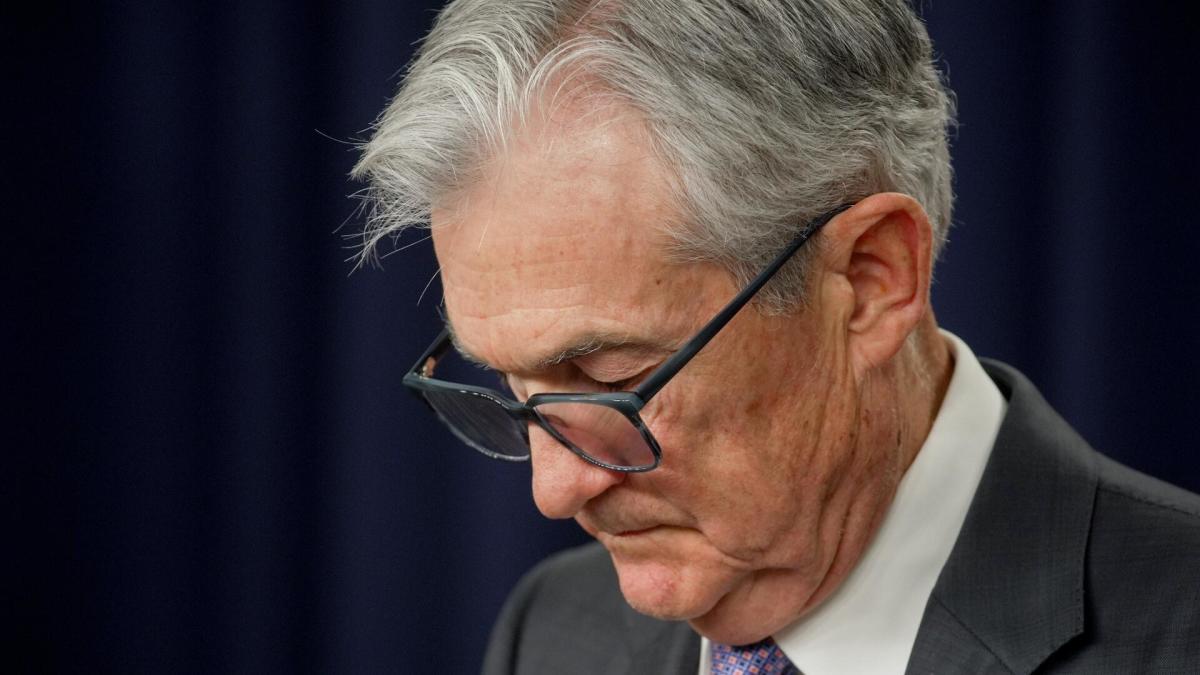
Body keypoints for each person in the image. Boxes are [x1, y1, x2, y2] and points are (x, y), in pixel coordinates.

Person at [353, 1, 1200, 672]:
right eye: (512, 389)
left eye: (612, 376)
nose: (555, 489)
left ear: (870, 277)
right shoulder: (553, 631)